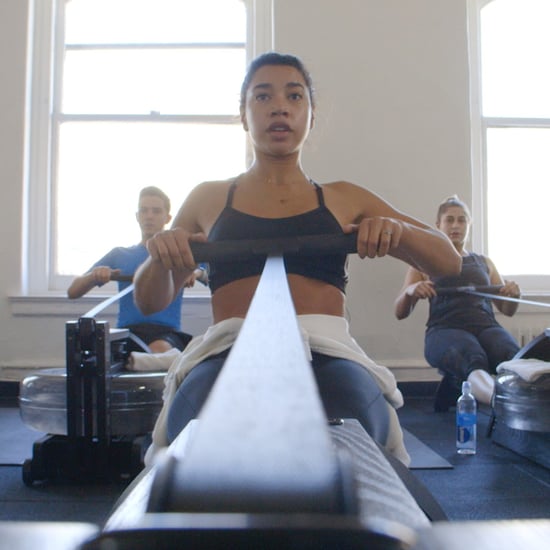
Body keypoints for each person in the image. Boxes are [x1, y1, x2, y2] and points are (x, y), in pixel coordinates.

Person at [133, 52, 461, 464]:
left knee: (360, 442)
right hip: (227, 349)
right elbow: (150, 301)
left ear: (310, 113)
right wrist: (161, 255)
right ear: (243, 113)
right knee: (188, 444)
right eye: (263, 96)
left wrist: (398, 231)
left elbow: (448, 263)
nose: (280, 107)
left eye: (294, 96)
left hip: (327, 351)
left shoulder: (345, 196)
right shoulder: (209, 197)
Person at [394, 195, 521, 411]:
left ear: (469, 225)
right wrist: (411, 292)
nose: (456, 225)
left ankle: (531, 407)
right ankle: (505, 406)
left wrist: (513, 295)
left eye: (462, 220)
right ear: (438, 225)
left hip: (486, 327)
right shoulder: (423, 262)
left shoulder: (484, 262)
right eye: (449, 220)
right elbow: (400, 312)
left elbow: (507, 310)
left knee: (511, 355)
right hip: (445, 330)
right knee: (472, 356)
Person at [68, 186, 206, 353]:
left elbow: (209, 273)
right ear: (137, 216)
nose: (149, 216)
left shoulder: (177, 252)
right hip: (127, 333)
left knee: (159, 349)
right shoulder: (119, 254)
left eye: (156, 211)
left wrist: (194, 272)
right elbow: (73, 291)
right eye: (144, 211)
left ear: (167, 218)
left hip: (166, 334)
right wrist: (93, 276)